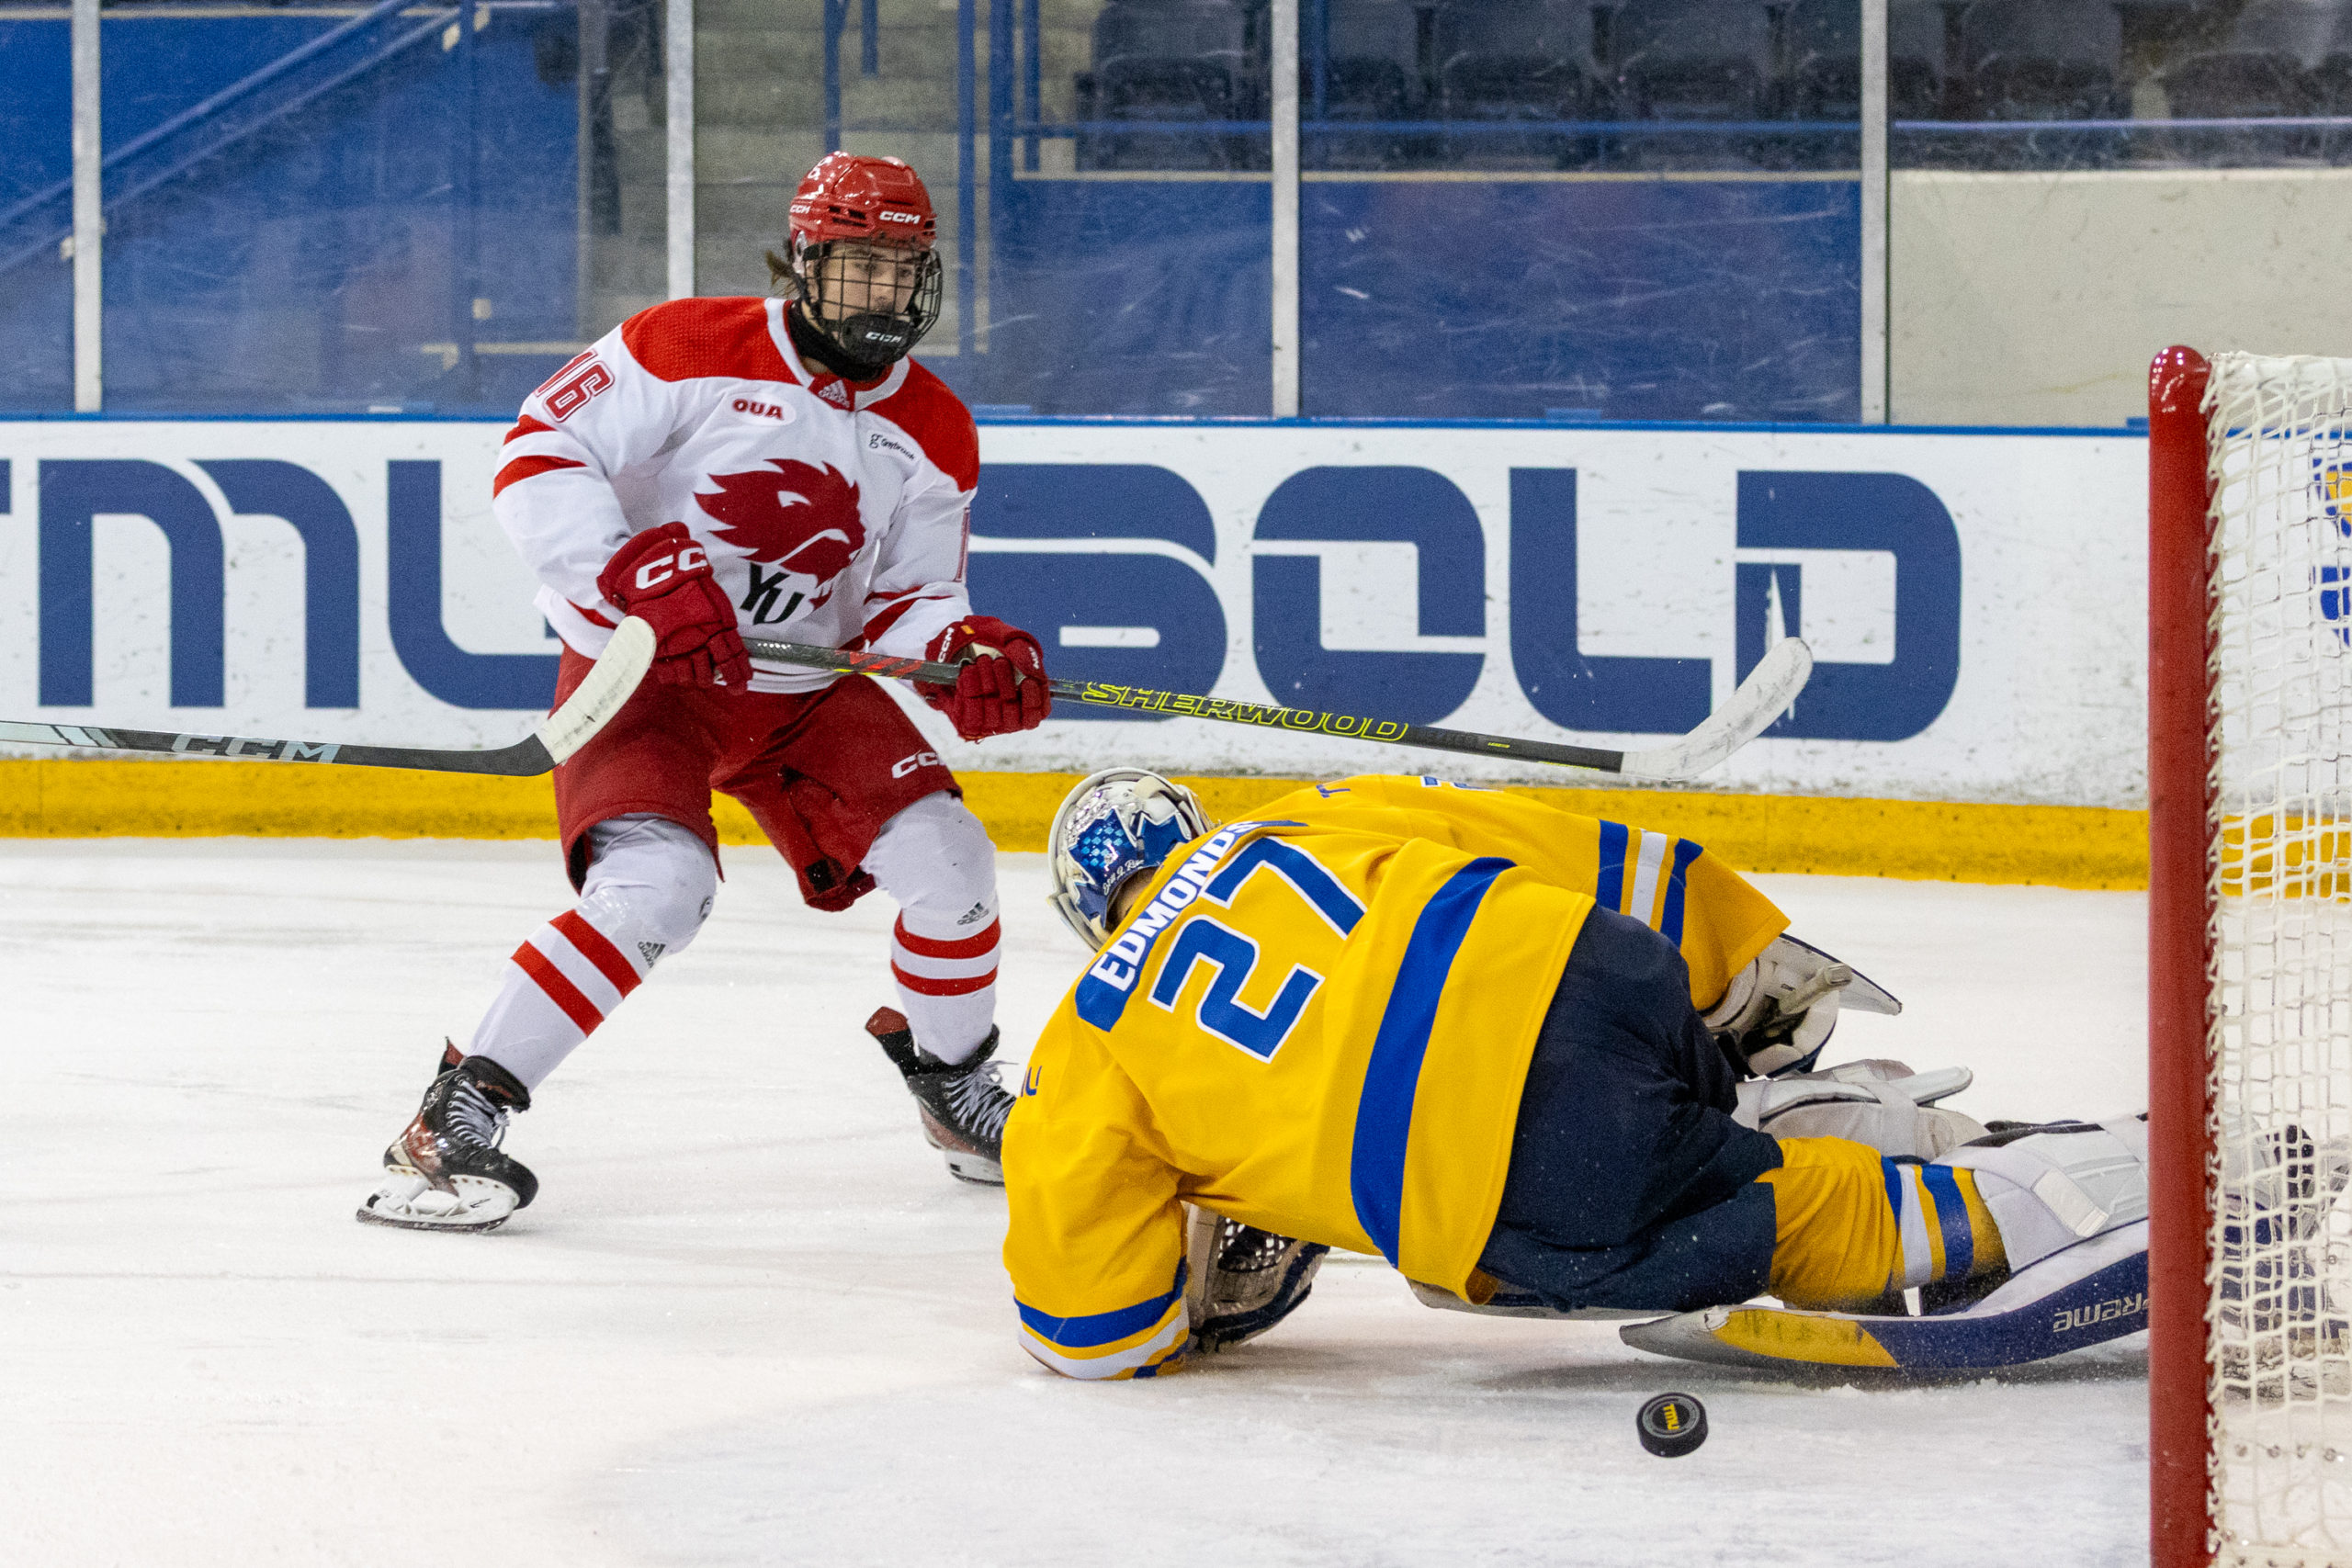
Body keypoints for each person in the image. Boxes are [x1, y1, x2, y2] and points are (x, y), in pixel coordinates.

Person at [359, 152, 1046, 1232]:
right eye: (859, 265)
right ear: (804, 260)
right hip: (648, 678)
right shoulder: (683, 345)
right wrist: (624, 572)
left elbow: (906, 599)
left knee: (953, 862)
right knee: (657, 891)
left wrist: (959, 651)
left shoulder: (937, 426)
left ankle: (954, 1089)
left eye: (903, 268)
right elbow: (539, 452)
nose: (885, 291)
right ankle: (457, 1111)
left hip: (802, 693)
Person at [1001, 770, 2151, 1378]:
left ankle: (2046, 1205)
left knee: (1749, 1216)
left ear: (1084, 918)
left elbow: (1089, 1328)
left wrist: (1205, 1270)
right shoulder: (1298, 821)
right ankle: (1793, 1112)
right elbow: (1563, 846)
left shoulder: (1083, 1041)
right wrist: (1732, 965)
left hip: (1512, 1165)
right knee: (1681, 1119)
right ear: (1190, 824)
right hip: (1589, 967)